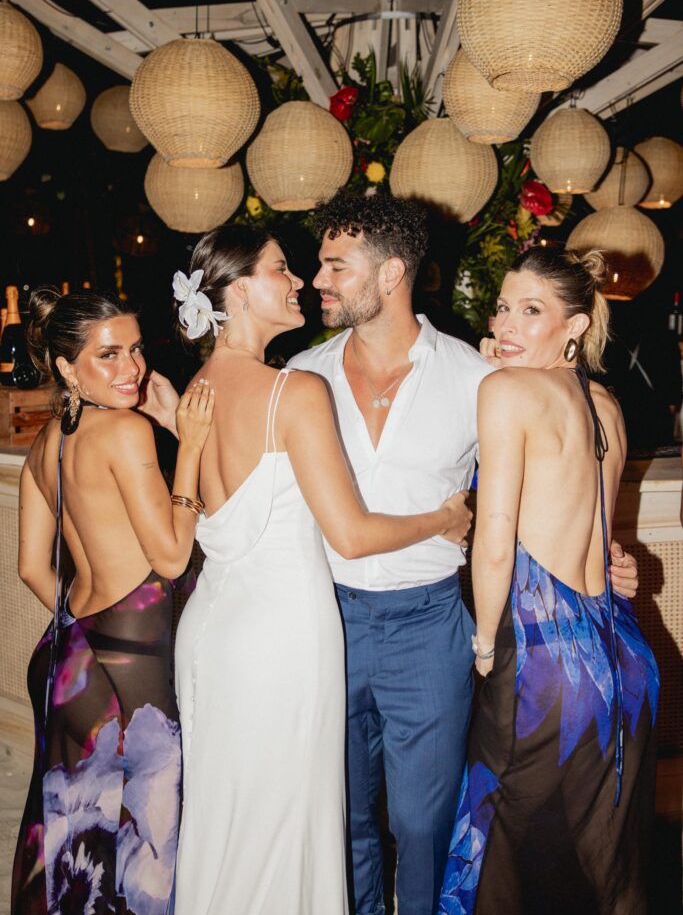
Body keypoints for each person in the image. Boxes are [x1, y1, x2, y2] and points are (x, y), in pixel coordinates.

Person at [287, 192, 641, 915]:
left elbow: (527, 509)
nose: (316, 281)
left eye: (333, 266)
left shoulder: (478, 378)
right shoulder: (300, 377)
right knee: (344, 817)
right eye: (503, 309)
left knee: (429, 825)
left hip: (431, 627)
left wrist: (606, 558)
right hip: (324, 617)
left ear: (390, 274)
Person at [170, 227, 471, 915]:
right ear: (239, 290)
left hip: (214, 633)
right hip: (281, 641)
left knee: (229, 820)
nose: (300, 279)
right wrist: (442, 520)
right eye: (282, 269)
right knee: (285, 828)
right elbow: (353, 534)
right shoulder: (296, 388)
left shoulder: (197, 388)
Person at [439, 249, 659, 915]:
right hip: (621, 656)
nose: (506, 322)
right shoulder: (605, 404)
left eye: (530, 310)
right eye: (503, 306)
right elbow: (590, 524)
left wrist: (480, 645)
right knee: (608, 864)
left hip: (545, 665)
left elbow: (497, 542)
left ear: (575, 324)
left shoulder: (505, 392)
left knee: (497, 845)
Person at [12, 287, 214, 915]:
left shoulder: (47, 445)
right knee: (144, 849)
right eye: (108, 355)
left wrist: (80, 641)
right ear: (67, 367)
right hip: (133, 660)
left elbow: (28, 567)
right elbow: (173, 556)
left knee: (77, 838)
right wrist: (190, 439)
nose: (132, 369)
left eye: (134, 349)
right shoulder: (125, 433)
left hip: (68, 653)